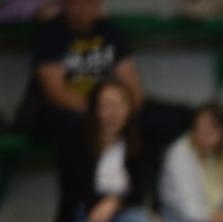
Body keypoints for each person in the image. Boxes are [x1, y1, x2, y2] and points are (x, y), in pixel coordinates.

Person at [54, 78, 167, 222]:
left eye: (119, 105)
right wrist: (105, 206)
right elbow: (73, 195)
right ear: (95, 109)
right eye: (106, 105)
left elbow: (141, 190)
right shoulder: (74, 146)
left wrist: (115, 203)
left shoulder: (141, 145)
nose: (113, 112)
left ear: (129, 109)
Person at [14, 0, 138, 143]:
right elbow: (56, 92)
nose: (83, 9)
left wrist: (124, 110)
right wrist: (101, 111)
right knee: (80, 126)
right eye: (78, 3)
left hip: (109, 108)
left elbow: (131, 83)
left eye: (90, 3)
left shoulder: (112, 31)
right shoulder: (50, 33)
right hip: (58, 113)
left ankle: (132, 165)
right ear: (66, 4)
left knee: (154, 119)